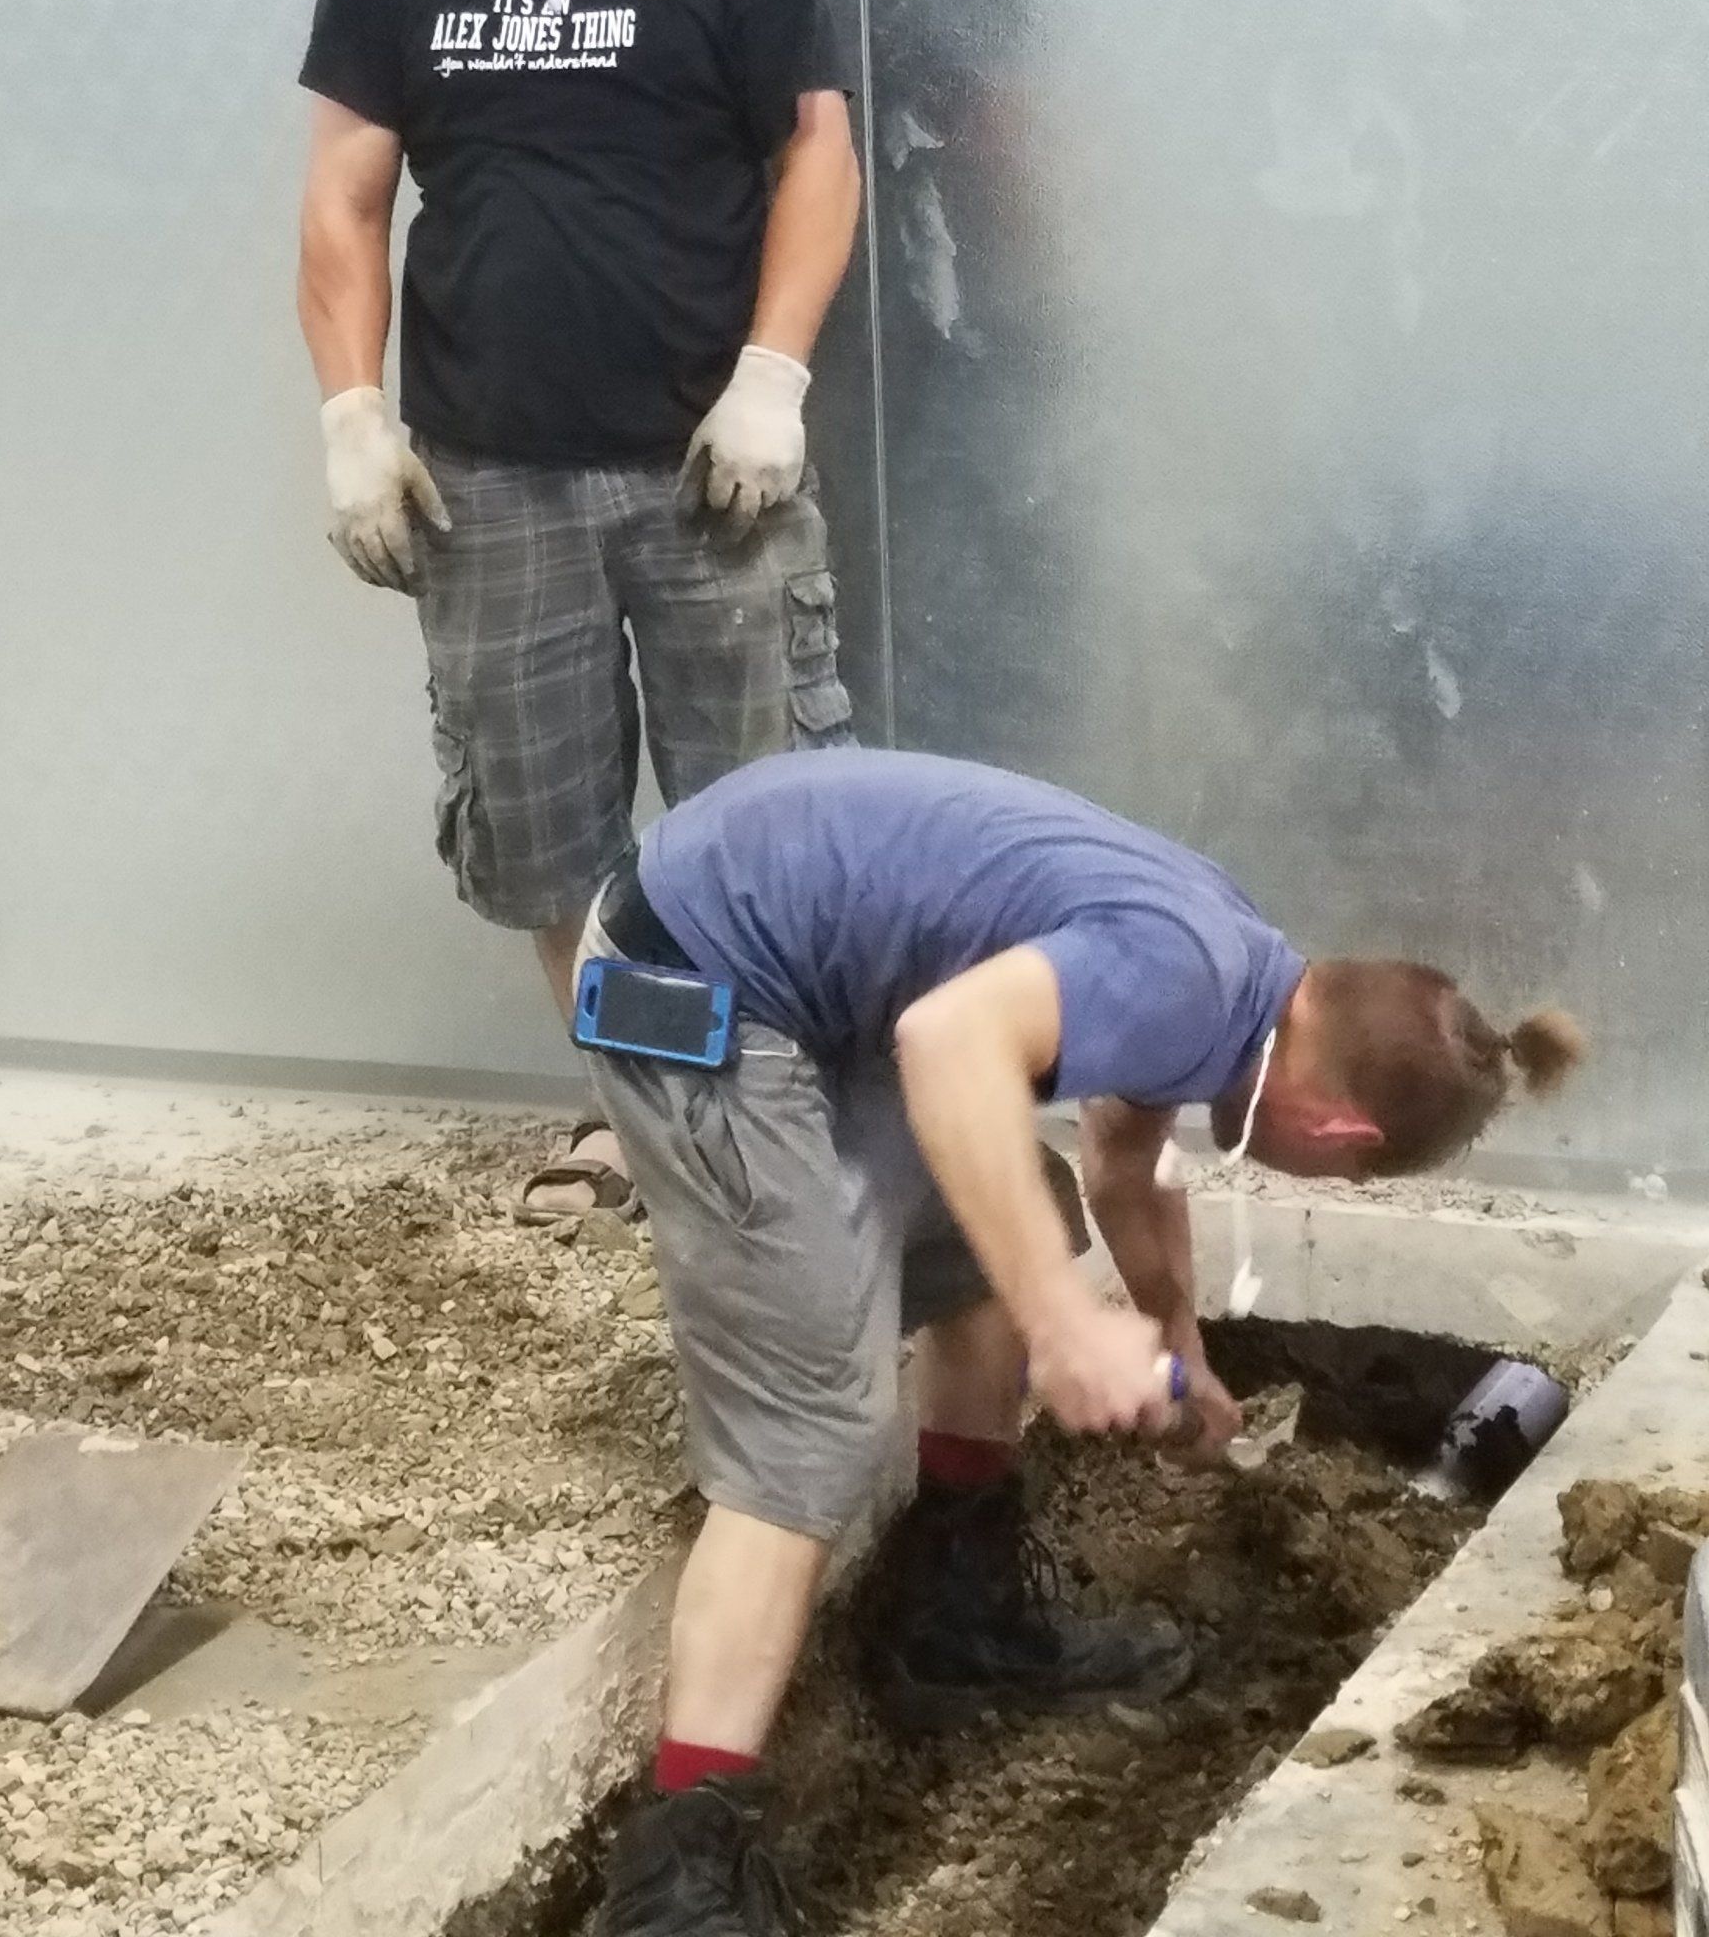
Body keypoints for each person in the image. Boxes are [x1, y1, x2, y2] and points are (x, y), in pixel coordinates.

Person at [573, 745, 1584, 1935]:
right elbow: (952, 1046)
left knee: (1014, 1232)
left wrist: (1175, 1341)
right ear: (1336, 1126)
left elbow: (1121, 1151)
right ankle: (677, 1878)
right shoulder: (1187, 975)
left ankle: (957, 1619)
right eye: (1345, 1170)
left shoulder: (1244, 974)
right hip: (692, 979)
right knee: (814, 1422)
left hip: (810, 989)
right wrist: (1062, 1322)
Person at [296, 0, 862, 1215]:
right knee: (549, 844)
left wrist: (771, 379)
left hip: (713, 469)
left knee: (764, 820)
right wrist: (352, 418)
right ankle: (647, 1116)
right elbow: (342, 203)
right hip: (489, 488)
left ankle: (795, 1111)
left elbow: (814, 153)